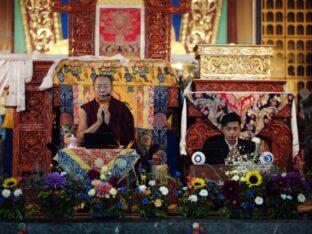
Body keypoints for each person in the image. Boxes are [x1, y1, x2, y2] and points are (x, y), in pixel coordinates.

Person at [77, 74, 136, 147]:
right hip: (91, 152)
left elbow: (129, 138)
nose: (102, 90)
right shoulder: (86, 109)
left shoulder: (122, 108)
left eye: (106, 87)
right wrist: (98, 123)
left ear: (111, 89)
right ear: (93, 89)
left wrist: (110, 123)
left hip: (118, 152)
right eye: (99, 86)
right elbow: (80, 139)